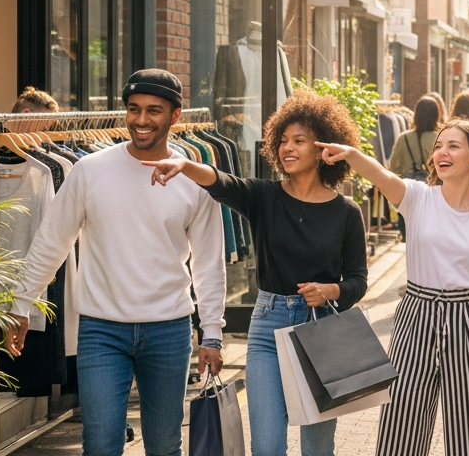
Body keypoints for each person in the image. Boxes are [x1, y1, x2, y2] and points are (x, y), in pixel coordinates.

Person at [4, 70, 226, 456]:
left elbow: (209, 262)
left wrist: (212, 333)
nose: (141, 120)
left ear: (175, 116)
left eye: (154, 110)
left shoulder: (194, 179)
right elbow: (51, 241)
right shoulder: (89, 170)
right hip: (101, 330)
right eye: (134, 109)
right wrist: (22, 304)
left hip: (168, 330)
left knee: (163, 446)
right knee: (101, 446)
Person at [141, 89, 366, 456]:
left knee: (318, 447)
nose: (286, 148)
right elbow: (221, 182)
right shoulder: (265, 197)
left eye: (299, 141)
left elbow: (358, 281)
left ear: (324, 148)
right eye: (282, 140)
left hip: (323, 328)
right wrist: (184, 165)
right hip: (267, 329)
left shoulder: (346, 212)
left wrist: (331, 290)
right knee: (267, 446)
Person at [316, 121, 469, 456]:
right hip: (416, 314)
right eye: (439, 146)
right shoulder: (418, 198)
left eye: (454, 146)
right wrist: (351, 154)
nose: (442, 152)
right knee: (401, 427)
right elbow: (382, 175)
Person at [390, 96, 442, 180]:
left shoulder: (404, 138)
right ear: (436, 115)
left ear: (416, 114)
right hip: (434, 188)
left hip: (408, 189)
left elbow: (393, 168)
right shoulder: (441, 138)